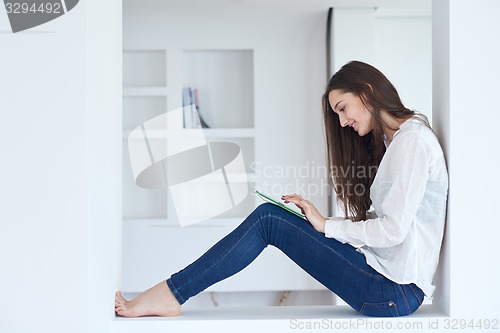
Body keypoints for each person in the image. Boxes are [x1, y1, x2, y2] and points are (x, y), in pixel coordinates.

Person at [115, 60, 448, 318]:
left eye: (342, 108)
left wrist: (327, 226)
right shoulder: (400, 142)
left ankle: (171, 294)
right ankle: (172, 292)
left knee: (267, 221)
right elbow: (390, 222)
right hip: (388, 282)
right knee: (271, 218)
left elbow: (393, 230)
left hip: (392, 290)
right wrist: (322, 222)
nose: (343, 122)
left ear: (366, 90)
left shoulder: (412, 141)